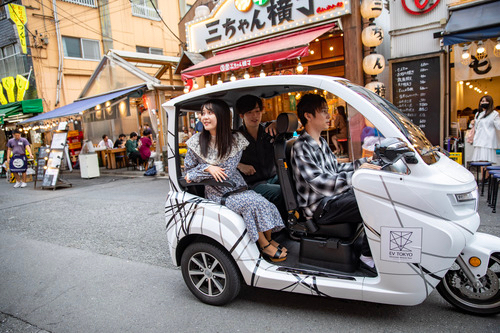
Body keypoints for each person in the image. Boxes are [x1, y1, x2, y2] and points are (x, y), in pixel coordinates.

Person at [184, 99, 287, 262]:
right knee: (252, 204)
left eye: (210, 113)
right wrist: (207, 168)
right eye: (203, 113)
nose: (205, 117)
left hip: (237, 188)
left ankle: (269, 240)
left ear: (222, 116)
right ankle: (263, 245)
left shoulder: (234, 141)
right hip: (218, 192)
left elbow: (227, 169)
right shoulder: (195, 142)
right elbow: (188, 173)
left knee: (264, 203)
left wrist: (206, 169)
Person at [291, 94, 380, 269]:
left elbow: (336, 170)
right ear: (309, 116)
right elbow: (320, 183)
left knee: (376, 193)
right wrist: (356, 177)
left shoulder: (321, 142)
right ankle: (367, 256)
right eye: (324, 112)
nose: (329, 116)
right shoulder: (301, 146)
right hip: (320, 208)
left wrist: (364, 164)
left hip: (332, 200)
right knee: (373, 201)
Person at [235, 95, 286, 221]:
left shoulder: (269, 129)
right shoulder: (236, 137)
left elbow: (297, 123)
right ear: (242, 115)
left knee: (297, 184)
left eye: (257, 111)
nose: (255, 116)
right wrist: (240, 165)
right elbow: (222, 161)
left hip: (274, 177)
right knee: (283, 192)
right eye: (250, 112)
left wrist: (277, 123)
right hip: (253, 184)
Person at [471, 95, 500, 164]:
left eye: (486, 101)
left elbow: (498, 126)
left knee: (487, 161)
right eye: (482, 101)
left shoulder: (494, 114)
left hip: (488, 141)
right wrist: (472, 123)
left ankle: (486, 175)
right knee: (481, 161)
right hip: (479, 140)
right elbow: (477, 127)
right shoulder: (478, 114)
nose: (484, 103)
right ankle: (484, 174)